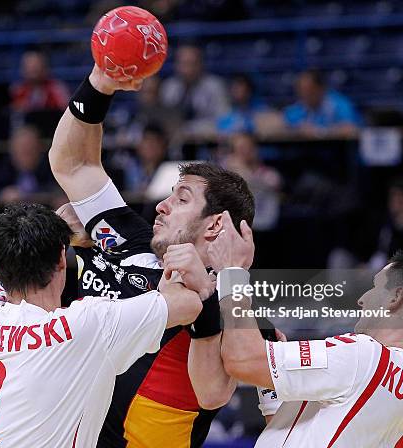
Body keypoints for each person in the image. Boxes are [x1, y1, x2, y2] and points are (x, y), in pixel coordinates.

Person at [49, 63, 255, 447]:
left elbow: (213, 394)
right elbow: (74, 165)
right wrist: (99, 84)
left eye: (181, 199)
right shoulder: (130, 238)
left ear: (214, 225)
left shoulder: (233, 304)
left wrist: (210, 299)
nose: (161, 205)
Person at [190, 211, 403, 447]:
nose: (362, 298)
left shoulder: (365, 356)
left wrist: (232, 273)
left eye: (375, 286)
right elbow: (295, 431)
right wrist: (271, 379)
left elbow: (242, 359)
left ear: (395, 297)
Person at [0, 203, 206, 447]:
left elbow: (13, 258)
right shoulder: (87, 323)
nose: (165, 204)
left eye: (182, 197)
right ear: (62, 259)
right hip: (178, 403)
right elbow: (191, 304)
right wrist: (237, 271)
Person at [160, 45, 230, 138]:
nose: (189, 70)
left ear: (201, 64)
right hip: (174, 143)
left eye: (193, 64)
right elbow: (163, 120)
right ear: (177, 65)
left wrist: (189, 130)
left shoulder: (215, 86)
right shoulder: (169, 87)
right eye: (184, 64)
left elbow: (224, 121)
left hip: (208, 142)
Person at [0, 125, 56, 202]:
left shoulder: (52, 168)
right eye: (21, 149)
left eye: (30, 149)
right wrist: (2, 194)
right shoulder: (1, 170)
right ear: (12, 150)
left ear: (40, 148)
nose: (26, 153)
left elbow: (56, 190)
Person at [284, 70, 361, 137]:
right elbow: (283, 123)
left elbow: (350, 129)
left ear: (321, 89)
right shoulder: (300, 107)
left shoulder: (339, 104)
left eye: (309, 90)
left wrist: (319, 132)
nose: (304, 95)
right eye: (301, 91)